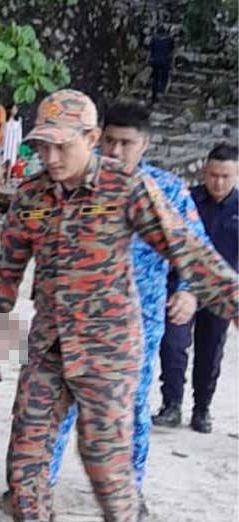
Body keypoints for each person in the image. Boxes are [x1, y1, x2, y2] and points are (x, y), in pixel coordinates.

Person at [0, 90, 237, 522]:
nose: (50, 158)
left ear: (91, 139)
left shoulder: (127, 187)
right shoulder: (32, 196)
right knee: (25, 456)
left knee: (103, 459)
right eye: (42, 147)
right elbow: (4, 275)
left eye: (61, 147)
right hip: (51, 347)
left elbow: (186, 249)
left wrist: (232, 301)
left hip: (108, 349)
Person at [46, 101, 211, 490]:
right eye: (109, 142)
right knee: (54, 405)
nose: (116, 152)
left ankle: (129, 490)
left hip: (138, 322)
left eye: (126, 143)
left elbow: (195, 249)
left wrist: (188, 292)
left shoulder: (166, 190)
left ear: (145, 144)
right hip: (71, 318)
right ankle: (37, 486)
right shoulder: (69, 184)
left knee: (130, 407)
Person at [154, 143, 239, 433]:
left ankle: (202, 409)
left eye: (225, 176)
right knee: (173, 346)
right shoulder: (186, 200)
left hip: (220, 292)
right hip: (181, 286)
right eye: (213, 175)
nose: (218, 182)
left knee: (210, 350)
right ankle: (171, 405)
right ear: (205, 171)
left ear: (236, 175)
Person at [149, 26, 175, 103]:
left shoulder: (154, 38)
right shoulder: (169, 39)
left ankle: (154, 95)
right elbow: (172, 53)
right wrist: (173, 65)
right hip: (165, 61)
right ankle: (161, 92)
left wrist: (148, 60)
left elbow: (150, 51)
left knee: (155, 78)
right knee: (164, 77)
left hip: (155, 61)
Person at [2, 105, 23, 186]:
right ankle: (1, 178)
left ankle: (7, 179)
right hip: (5, 142)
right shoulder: (5, 120)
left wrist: (18, 146)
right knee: (3, 161)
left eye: (16, 109)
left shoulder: (18, 121)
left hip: (13, 143)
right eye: (13, 109)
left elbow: (19, 134)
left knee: (11, 162)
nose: (15, 111)